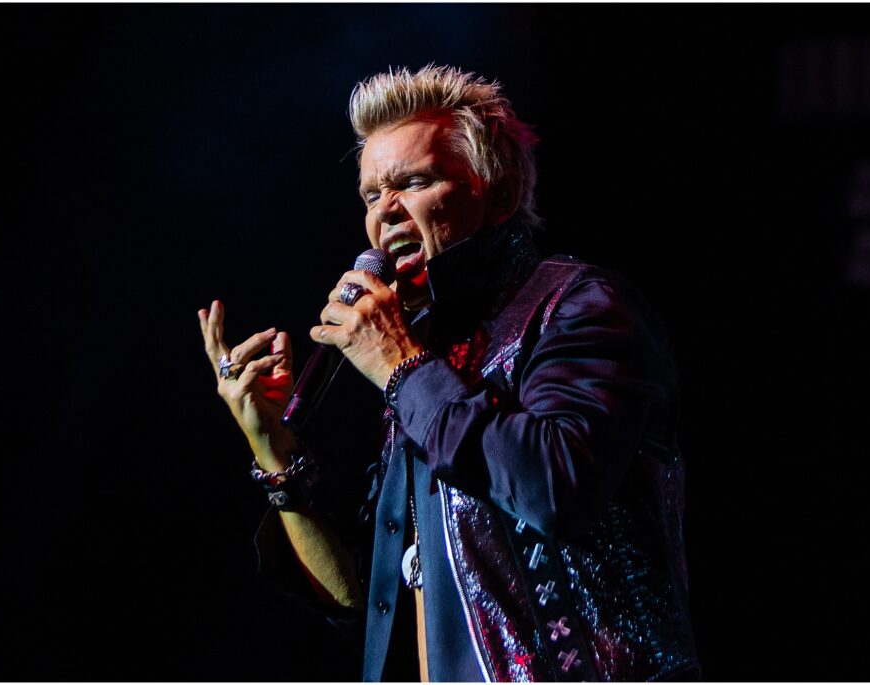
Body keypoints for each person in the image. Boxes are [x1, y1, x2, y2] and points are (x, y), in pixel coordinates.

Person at [198, 64, 699, 681]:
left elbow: (553, 486)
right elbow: (364, 597)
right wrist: (271, 447)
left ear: (500, 194)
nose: (386, 214)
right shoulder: (430, 357)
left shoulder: (579, 308)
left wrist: (400, 367)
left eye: (413, 182)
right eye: (370, 196)